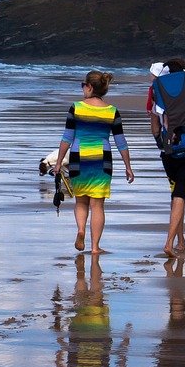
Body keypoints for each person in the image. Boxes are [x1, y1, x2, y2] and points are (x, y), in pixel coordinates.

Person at [55, 70, 134, 254]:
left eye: (83, 85)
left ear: (90, 87)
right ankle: (95, 247)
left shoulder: (76, 107)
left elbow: (67, 137)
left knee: (81, 202)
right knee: (97, 205)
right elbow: (120, 142)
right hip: (102, 160)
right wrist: (128, 167)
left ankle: (81, 230)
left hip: (78, 158)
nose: (82, 88)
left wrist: (59, 163)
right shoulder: (112, 111)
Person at [147, 58, 185, 256]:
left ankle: (180, 241)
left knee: (176, 193)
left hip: (168, 152)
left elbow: (154, 124)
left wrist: (160, 143)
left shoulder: (159, 93)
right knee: (180, 194)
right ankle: (169, 243)